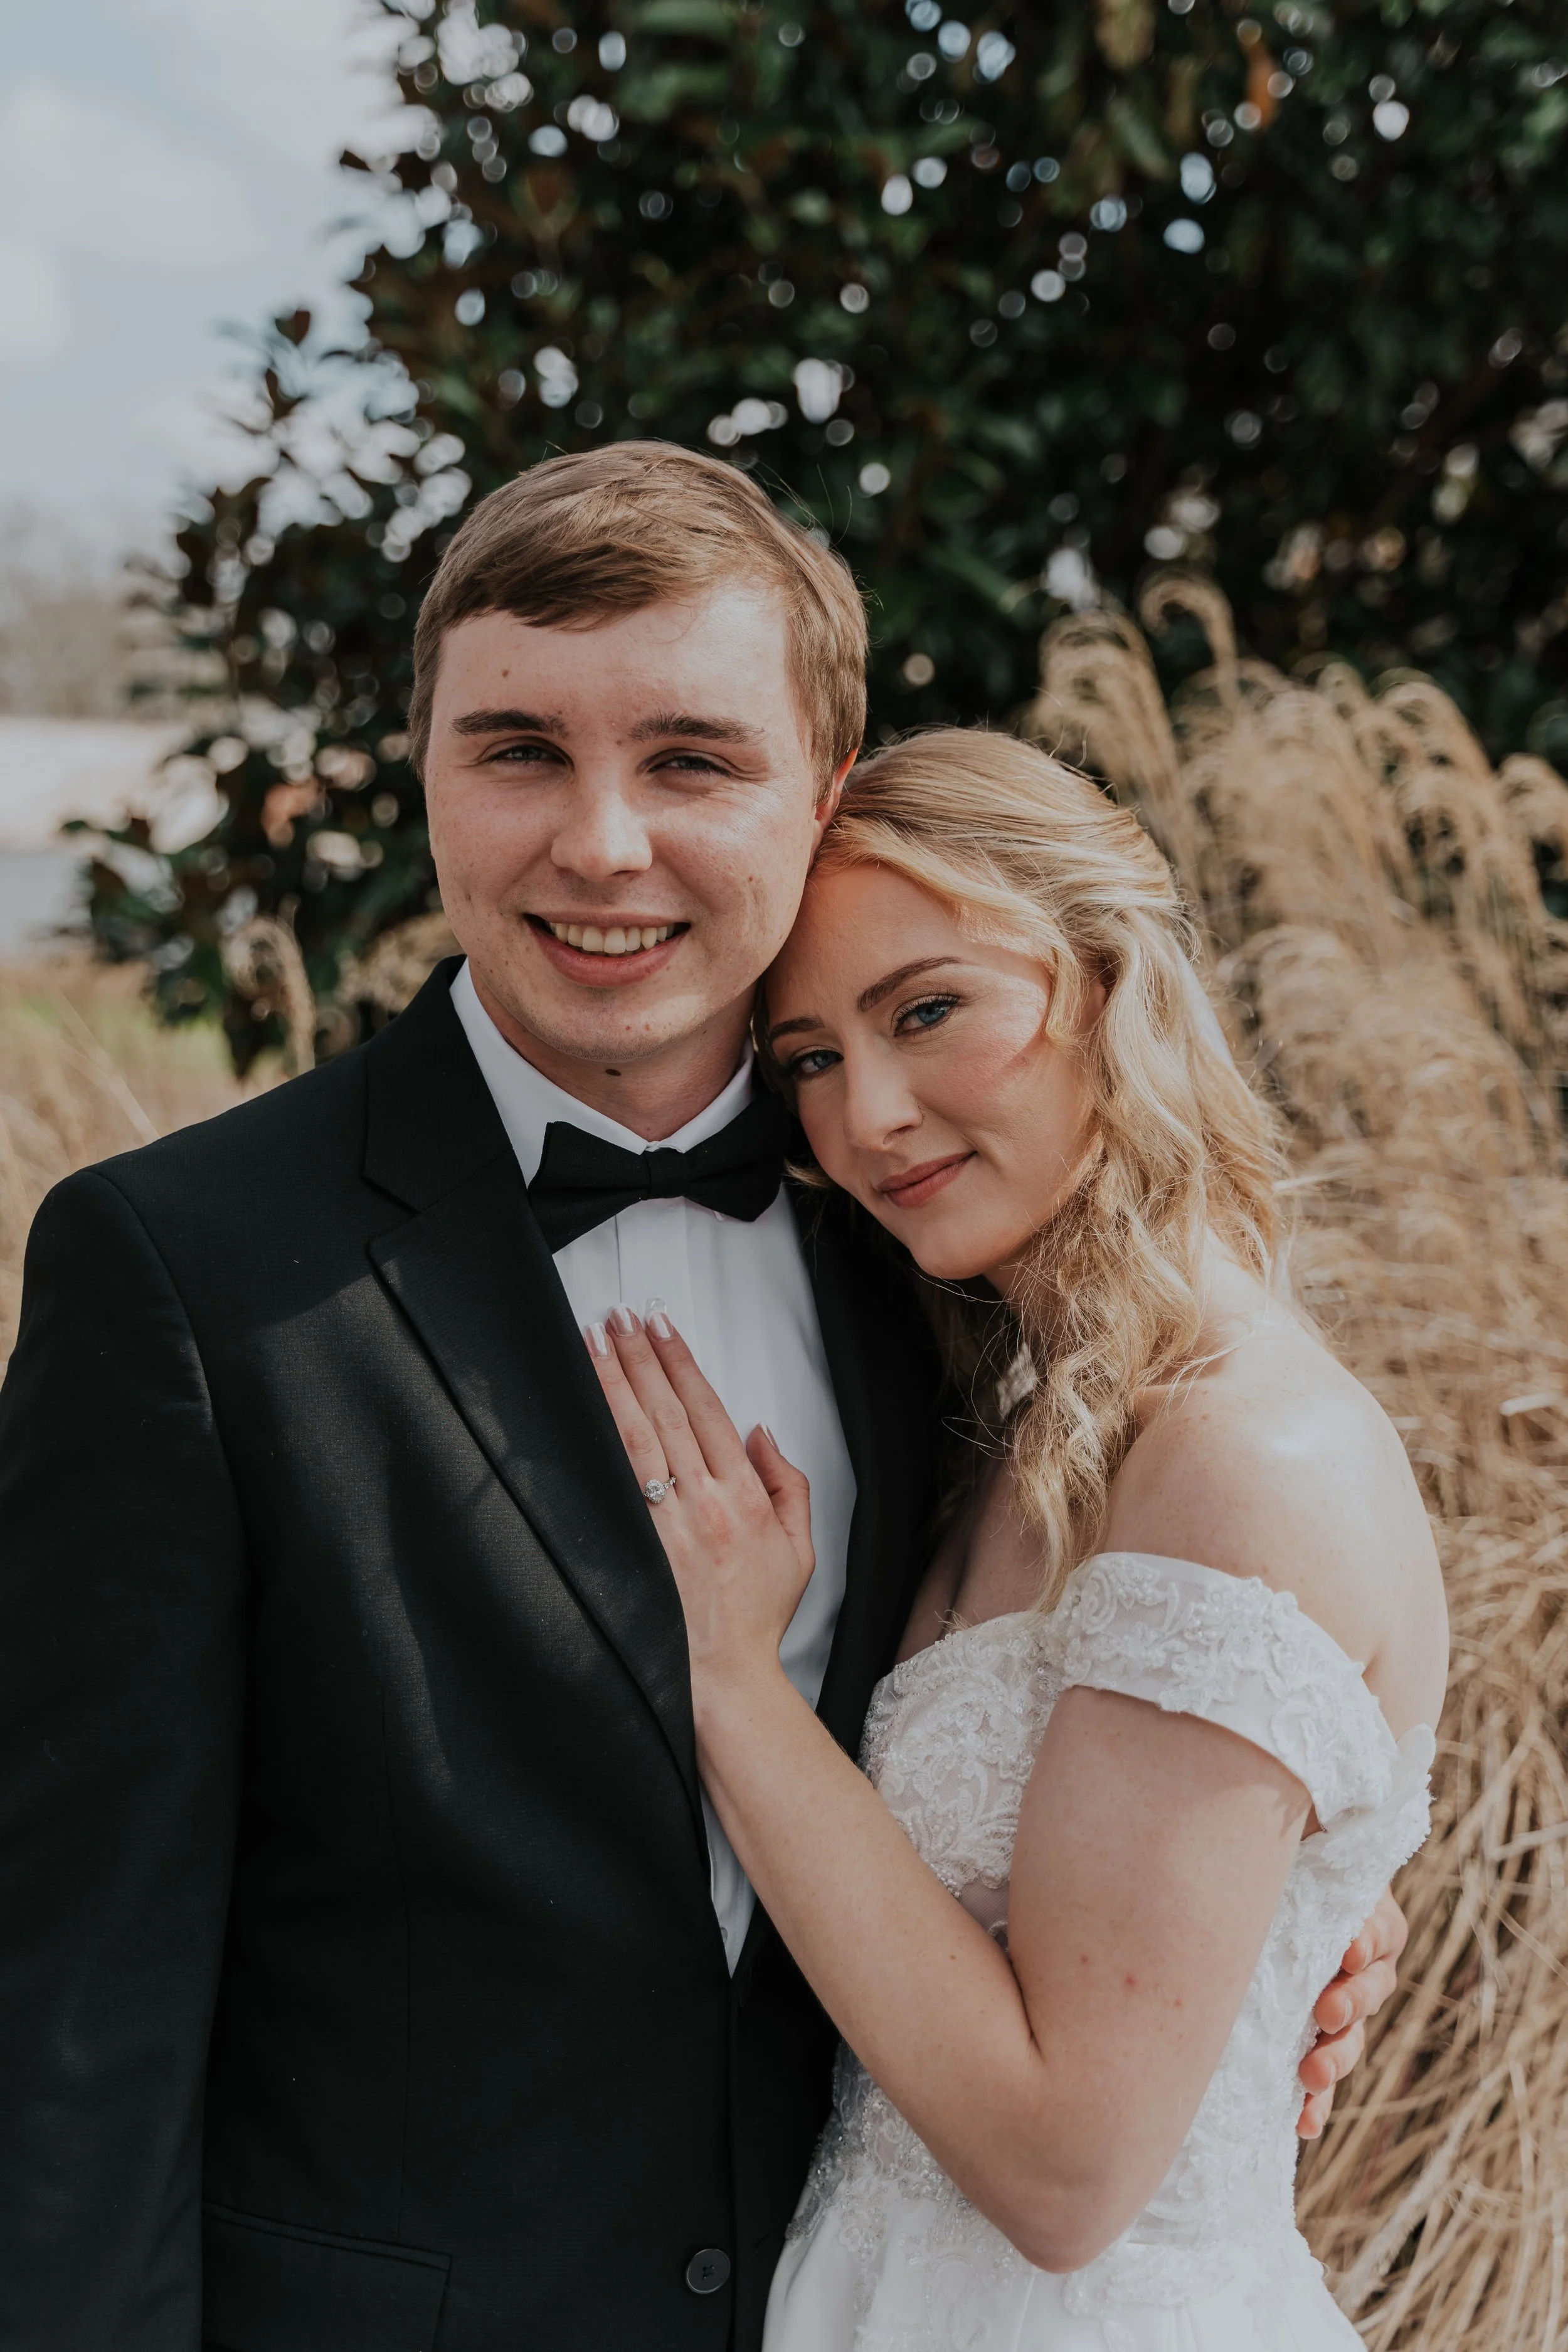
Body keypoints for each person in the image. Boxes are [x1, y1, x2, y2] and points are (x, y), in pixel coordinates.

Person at [0, 450, 1402, 2352]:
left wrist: (1287, 1919)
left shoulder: (941, 1257)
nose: (599, 842)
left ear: (818, 796)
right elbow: (72, 2007)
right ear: (419, 777)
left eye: (688, 758)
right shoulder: (179, 1270)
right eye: (516, 750)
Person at [583, 726, 1448, 2352]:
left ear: (1108, 977)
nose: (870, 1117)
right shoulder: (1026, 1428)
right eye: (810, 1059)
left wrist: (732, 1681)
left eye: (926, 1011)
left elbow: (1065, 2172)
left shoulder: (1239, 1453)